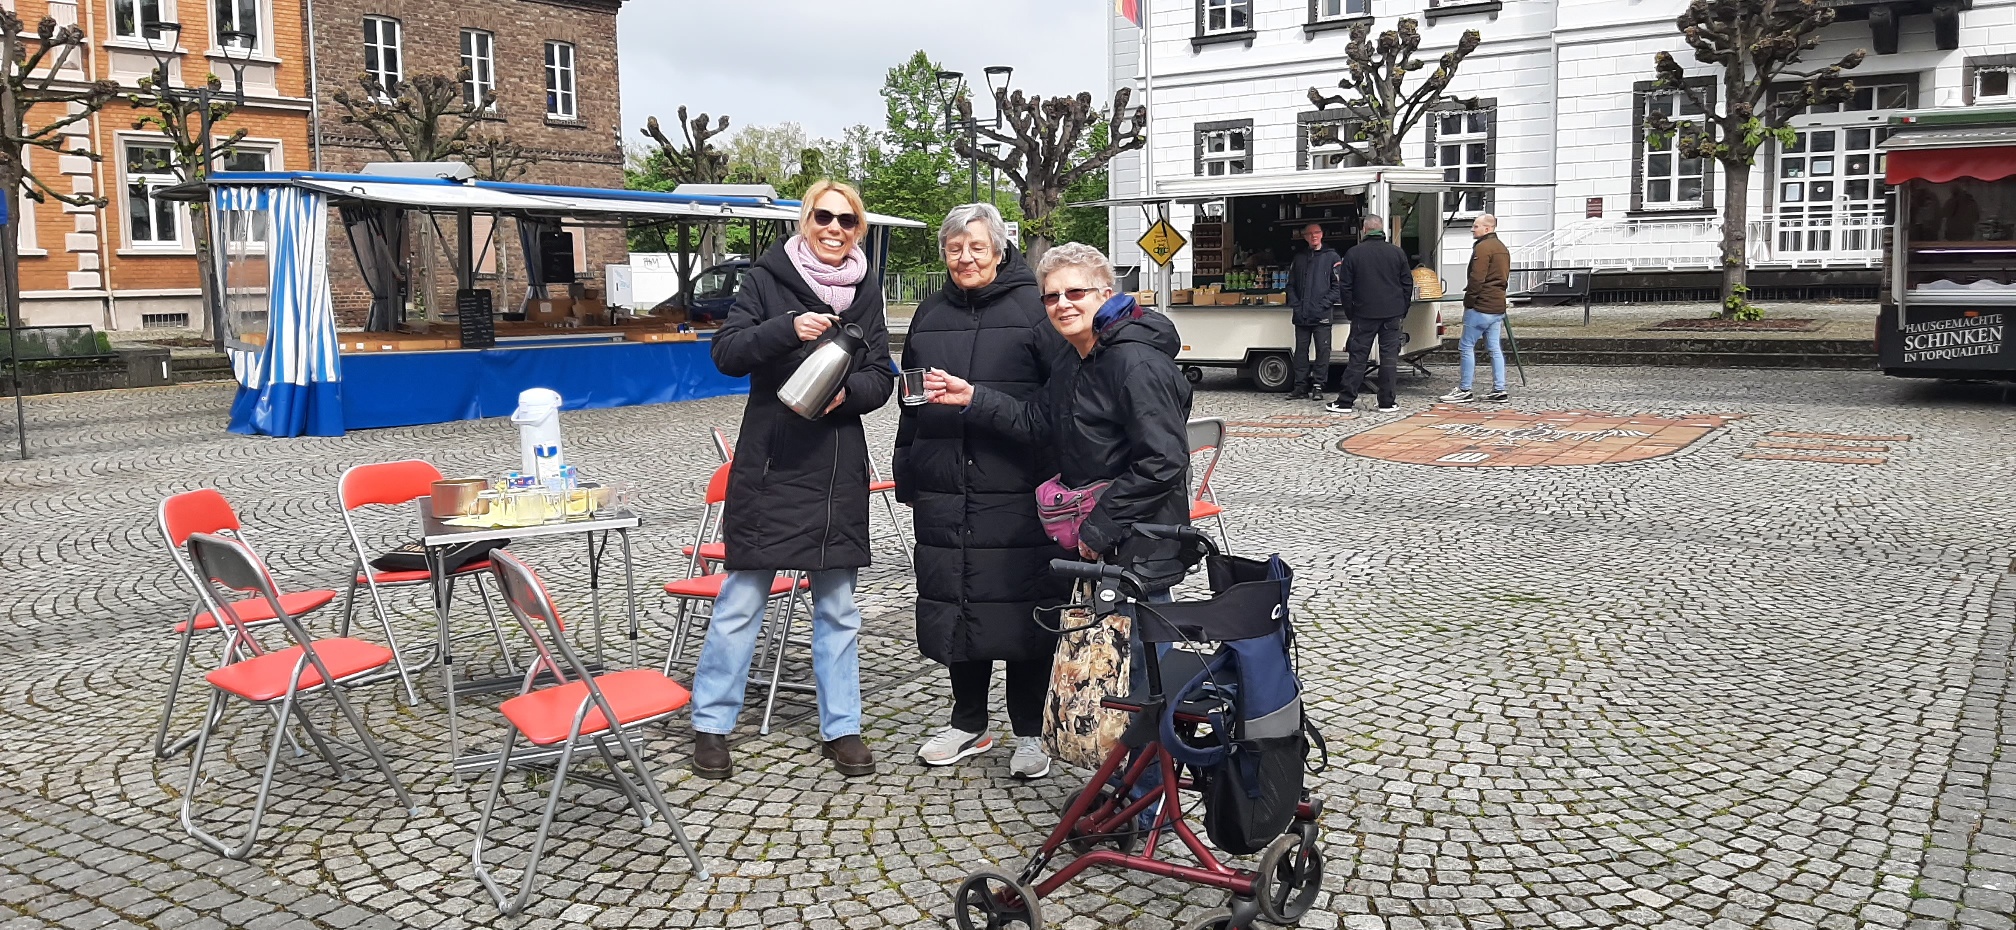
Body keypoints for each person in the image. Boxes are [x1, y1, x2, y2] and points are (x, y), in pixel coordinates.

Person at [691, 179, 893, 780]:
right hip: (772, 459)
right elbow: (726, 352)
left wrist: (847, 395)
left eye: (847, 220)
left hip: (834, 459)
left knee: (837, 606)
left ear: (859, 229)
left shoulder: (866, 290)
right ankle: (712, 723)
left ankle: (843, 727)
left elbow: (881, 373)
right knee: (742, 599)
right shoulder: (765, 279)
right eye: (824, 217)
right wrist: (788, 329)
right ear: (805, 222)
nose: (834, 229)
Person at [895, 203, 1069, 778]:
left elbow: (1057, 412)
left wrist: (980, 400)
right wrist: (908, 469)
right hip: (945, 480)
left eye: (976, 246)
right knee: (957, 604)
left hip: (1018, 486)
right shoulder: (929, 313)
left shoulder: (1036, 310)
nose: (965, 258)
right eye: (954, 248)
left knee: (1024, 610)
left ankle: (1029, 732)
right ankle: (968, 722)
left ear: (999, 249)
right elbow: (909, 402)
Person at [1325, 215, 1415, 418]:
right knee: (1389, 359)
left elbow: (1345, 287)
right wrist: (1402, 309)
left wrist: (1351, 312)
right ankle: (1387, 402)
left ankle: (1346, 401)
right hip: (1392, 313)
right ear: (1382, 229)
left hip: (1363, 314)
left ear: (1364, 230)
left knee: (1358, 359)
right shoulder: (1397, 252)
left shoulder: (1353, 254)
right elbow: (1407, 283)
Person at [1442, 213, 1512, 404]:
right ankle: (1500, 388)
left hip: (1481, 305)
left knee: (1466, 346)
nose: (1472, 229)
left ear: (1487, 229)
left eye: (1476, 226)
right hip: (1497, 305)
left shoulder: (1483, 248)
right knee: (1494, 348)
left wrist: (1469, 302)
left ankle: (1465, 389)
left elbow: (1477, 278)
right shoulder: (1502, 248)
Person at [1285, 223, 1342, 402]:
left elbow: (1338, 286)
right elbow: (1290, 285)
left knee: (1322, 351)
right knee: (1300, 352)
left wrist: (1323, 305)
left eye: (1316, 233)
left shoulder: (1332, 257)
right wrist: (1296, 304)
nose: (1313, 236)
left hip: (1322, 315)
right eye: (1309, 234)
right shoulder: (1299, 258)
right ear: (1304, 237)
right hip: (1301, 315)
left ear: (1322, 234)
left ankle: (1318, 386)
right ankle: (1300, 386)